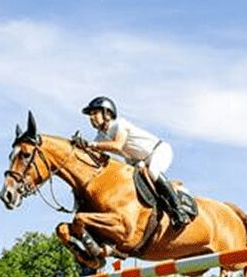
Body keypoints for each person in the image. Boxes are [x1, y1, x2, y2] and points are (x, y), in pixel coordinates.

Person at [80, 96, 191, 228]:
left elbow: (117, 146)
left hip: (158, 151)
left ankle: (179, 210)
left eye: (95, 113)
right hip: (138, 162)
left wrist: (92, 145)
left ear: (107, 113)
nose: (91, 117)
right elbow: (93, 152)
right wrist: (80, 146)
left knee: (153, 171)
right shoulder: (100, 137)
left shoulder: (119, 124)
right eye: (90, 115)